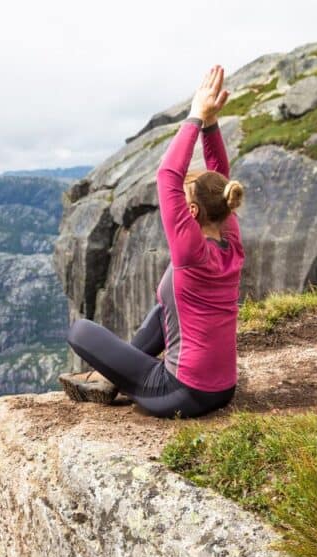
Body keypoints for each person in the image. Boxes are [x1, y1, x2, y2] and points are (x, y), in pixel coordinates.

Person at [60, 65, 245, 418]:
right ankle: (107, 380)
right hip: (223, 388)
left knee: (80, 332)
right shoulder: (230, 239)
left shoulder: (191, 250)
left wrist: (195, 115)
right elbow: (219, 176)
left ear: (192, 211)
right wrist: (211, 124)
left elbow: (167, 175)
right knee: (164, 308)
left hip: (179, 393)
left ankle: (111, 378)